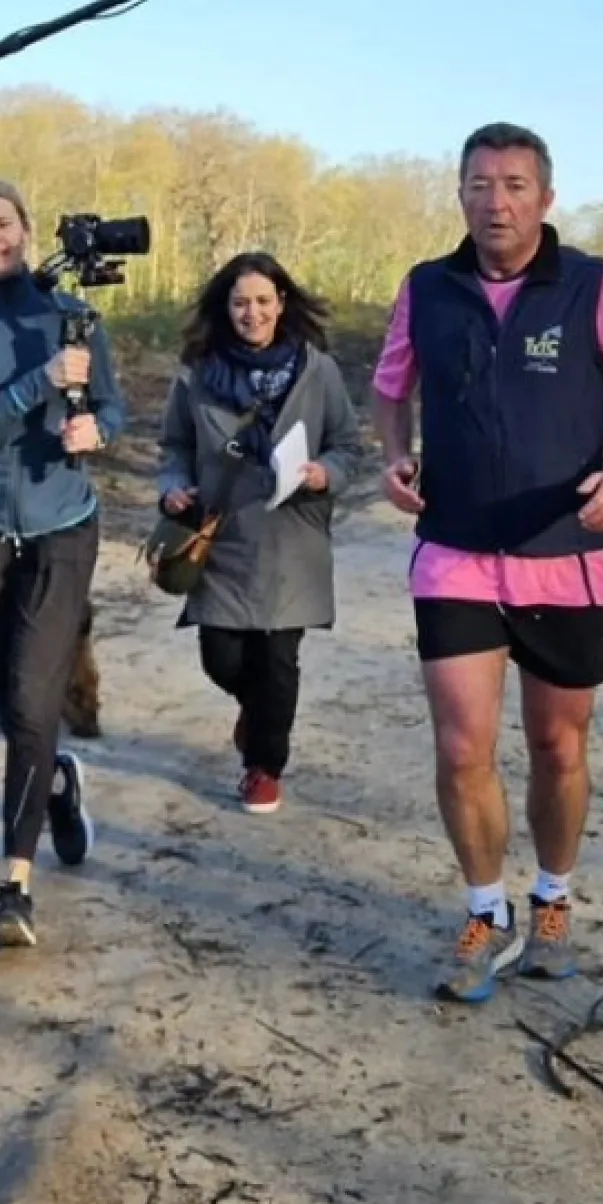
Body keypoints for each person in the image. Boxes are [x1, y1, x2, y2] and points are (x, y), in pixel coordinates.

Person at [370, 121, 603, 1003]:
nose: (497, 201)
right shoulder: (427, 288)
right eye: (480, 184)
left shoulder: (594, 286)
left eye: (515, 185)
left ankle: (552, 897)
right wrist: (394, 455)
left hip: (561, 557)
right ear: (460, 196)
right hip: (455, 553)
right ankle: (487, 911)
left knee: (558, 744)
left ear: (545, 198)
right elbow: (389, 388)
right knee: (460, 747)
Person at [0, 177, 128, 947]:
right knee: (16, 705)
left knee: (34, 703)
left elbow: (113, 406)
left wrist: (97, 430)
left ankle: (14, 888)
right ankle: (58, 784)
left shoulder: (73, 318)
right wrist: (37, 384)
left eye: (2, 223)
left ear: (27, 228)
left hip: (62, 527)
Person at [153, 251, 371, 813]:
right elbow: (174, 446)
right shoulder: (196, 373)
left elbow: (349, 447)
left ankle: (264, 766)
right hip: (219, 537)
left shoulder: (317, 371)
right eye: (240, 303)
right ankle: (259, 713)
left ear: (282, 303)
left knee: (276, 661)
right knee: (221, 658)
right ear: (224, 308)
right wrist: (173, 488)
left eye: (263, 301)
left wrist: (326, 474)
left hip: (292, 537)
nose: (252, 313)